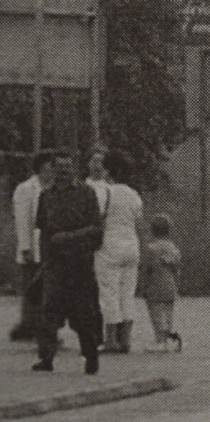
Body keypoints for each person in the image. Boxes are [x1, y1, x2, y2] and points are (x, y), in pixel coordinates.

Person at [32, 151, 103, 374]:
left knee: (83, 313)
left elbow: (96, 229)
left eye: (68, 166)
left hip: (80, 264)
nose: (63, 171)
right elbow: (43, 230)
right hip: (54, 264)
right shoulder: (46, 196)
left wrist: (69, 237)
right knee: (49, 311)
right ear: (52, 169)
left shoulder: (86, 193)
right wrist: (43, 260)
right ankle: (47, 358)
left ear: (73, 168)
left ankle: (90, 357)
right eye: (59, 167)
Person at [96, 150, 143, 353]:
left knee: (109, 292)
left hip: (109, 245)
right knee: (127, 293)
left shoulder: (104, 192)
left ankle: (110, 340)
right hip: (131, 245)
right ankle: (126, 340)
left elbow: (97, 219)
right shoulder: (133, 194)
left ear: (107, 170)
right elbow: (139, 221)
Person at [10, 151, 54, 341]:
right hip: (33, 246)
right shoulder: (26, 188)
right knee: (33, 287)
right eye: (49, 168)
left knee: (47, 288)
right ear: (41, 168)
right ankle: (31, 327)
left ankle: (39, 327)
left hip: (50, 246)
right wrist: (26, 247)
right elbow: (22, 220)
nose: (52, 172)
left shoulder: (54, 187)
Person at [140, 214, 182, 352]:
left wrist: (143, 285)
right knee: (168, 313)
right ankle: (169, 338)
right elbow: (177, 268)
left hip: (155, 286)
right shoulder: (173, 248)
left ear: (152, 230)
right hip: (170, 285)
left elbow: (146, 269)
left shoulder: (151, 249)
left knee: (156, 314)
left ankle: (160, 340)